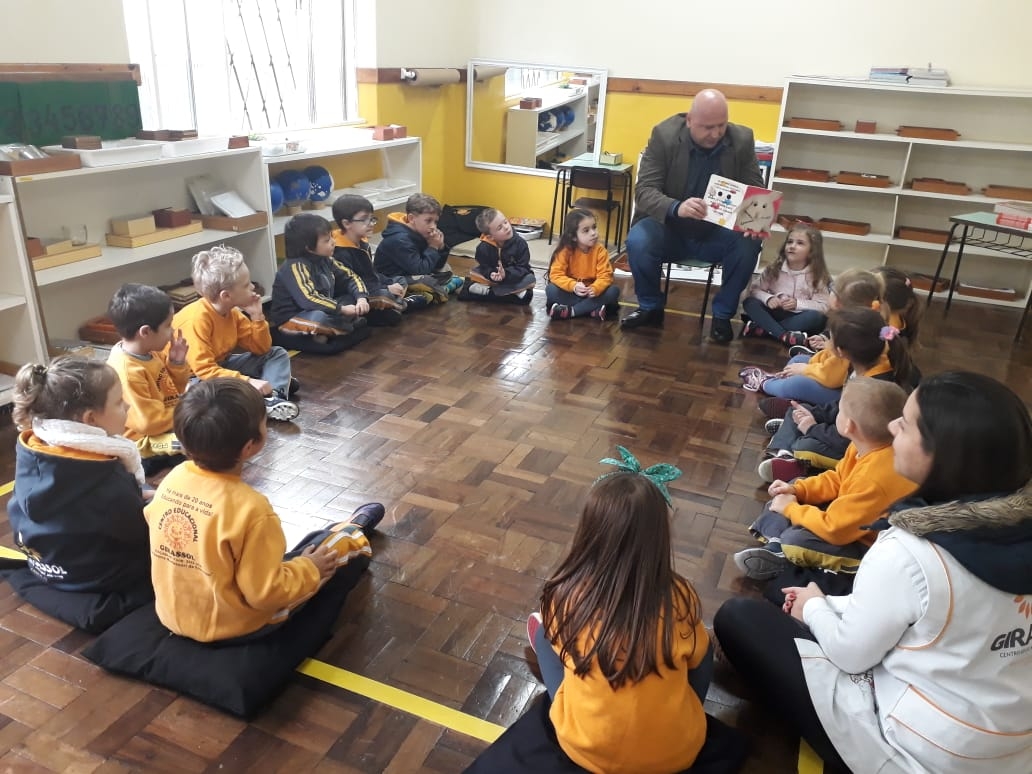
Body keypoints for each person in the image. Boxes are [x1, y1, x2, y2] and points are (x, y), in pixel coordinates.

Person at [714, 371, 1032, 774]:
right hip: (1014, 748)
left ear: (943, 456)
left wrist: (814, 608)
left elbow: (850, 656)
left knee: (739, 617)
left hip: (919, 753)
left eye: (907, 423)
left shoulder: (908, 551)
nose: (893, 426)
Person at [144, 377, 386, 643]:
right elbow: (264, 595)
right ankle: (353, 530)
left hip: (172, 614)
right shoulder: (253, 509)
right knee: (335, 546)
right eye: (264, 422)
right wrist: (311, 569)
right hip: (234, 625)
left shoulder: (172, 480)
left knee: (279, 555)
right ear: (250, 446)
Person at [528, 448, 713, 774]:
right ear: (660, 537)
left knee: (545, 635)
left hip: (584, 750)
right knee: (703, 647)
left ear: (588, 531)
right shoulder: (680, 597)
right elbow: (699, 660)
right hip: (677, 754)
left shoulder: (564, 596)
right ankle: (683, 711)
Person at [734, 378, 915, 582]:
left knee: (796, 540)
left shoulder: (875, 478)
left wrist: (791, 509)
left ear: (849, 426)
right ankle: (775, 544)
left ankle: (781, 554)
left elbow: (835, 529)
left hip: (869, 546)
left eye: (840, 410)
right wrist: (799, 491)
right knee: (791, 487)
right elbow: (837, 479)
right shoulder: (864, 446)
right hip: (848, 519)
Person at [621, 89, 764, 342]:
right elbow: (644, 191)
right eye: (708, 127)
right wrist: (677, 207)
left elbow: (756, 193)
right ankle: (650, 307)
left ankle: (722, 316)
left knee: (749, 243)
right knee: (638, 240)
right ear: (689, 120)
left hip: (716, 233)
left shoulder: (742, 139)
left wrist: (756, 221)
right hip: (669, 229)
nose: (716, 134)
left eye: (721, 125)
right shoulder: (664, 136)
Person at [6, 357, 152, 601]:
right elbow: (138, 533)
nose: (127, 406)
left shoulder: (33, 448)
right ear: (90, 419)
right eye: (119, 402)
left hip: (48, 566)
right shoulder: (106, 476)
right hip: (99, 578)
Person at [757, 306, 919, 481]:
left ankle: (790, 449)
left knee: (805, 446)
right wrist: (814, 414)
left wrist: (812, 428)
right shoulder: (865, 364)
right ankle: (781, 450)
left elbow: (848, 439)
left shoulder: (871, 392)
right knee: (799, 409)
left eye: (829, 338)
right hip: (846, 429)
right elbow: (841, 406)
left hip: (860, 447)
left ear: (840, 351)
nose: (827, 342)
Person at [174, 244, 300, 421]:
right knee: (207, 399)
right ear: (226, 296)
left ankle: (274, 397)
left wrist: (257, 317)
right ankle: (270, 386)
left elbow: (261, 349)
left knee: (276, 354)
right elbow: (204, 370)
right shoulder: (196, 320)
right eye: (246, 285)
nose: (253, 287)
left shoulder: (232, 312)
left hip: (220, 367)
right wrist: (248, 381)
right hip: (194, 379)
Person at [106, 283, 190, 474]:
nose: (172, 331)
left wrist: (176, 364)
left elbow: (173, 392)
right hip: (144, 445)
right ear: (145, 332)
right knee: (192, 443)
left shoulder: (150, 353)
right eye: (168, 326)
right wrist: (186, 410)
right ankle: (155, 477)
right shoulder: (128, 371)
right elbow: (148, 424)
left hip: (163, 427)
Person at [269, 212, 373, 351]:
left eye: (331, 237)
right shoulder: (295, 267)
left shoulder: (326, 259)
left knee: (350, 298)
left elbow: (350, 276)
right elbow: (309, 299)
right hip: (293, 317)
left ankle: (331, 330)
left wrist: (361, 298)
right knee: (319, 318)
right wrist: (341, 310)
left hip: (323, 309)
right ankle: (344, 327)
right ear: (308, 247)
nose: (333, 242)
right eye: (327, 240)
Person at [331, 194, 424, 323]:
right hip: (351, 295)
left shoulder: (362, 242)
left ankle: (387, 306)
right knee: (384, 295)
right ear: (346, 223)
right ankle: (402, 305)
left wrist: (387, 283)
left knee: (400, 280)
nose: (371, 224)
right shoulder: (339, 251)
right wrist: (386, 288)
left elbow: (371, 274)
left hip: (370, 288)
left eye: (372, 218)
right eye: (364, 219)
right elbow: (350, 284)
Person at [740, 224, 831, 346]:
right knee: (750, 302)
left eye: (800, 243)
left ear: (812, 251)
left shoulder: (817, 275)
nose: (792, 246)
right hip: (774, 313)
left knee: (817, 318)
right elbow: (755, 290)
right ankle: (784, 335)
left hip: (799, 317)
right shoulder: (773, 269)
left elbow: (824, 306)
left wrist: (797, 303)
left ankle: (765, 329)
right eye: (790, 242)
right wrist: (768, 299)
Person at [373, 193, 464, 303]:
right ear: (411, 218)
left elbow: (437, 265)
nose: (433, 226)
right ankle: (422, 296)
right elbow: (419, 270)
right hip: (393, 279)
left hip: (412, 272)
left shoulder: (421, 232)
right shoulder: (399, 239)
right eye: (428, 221)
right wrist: (433, 247)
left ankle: (435, 290)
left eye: (435, 222)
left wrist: (441, 247)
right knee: (426, 280)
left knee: (446, 268)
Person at [545, 208, 621, 320]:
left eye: (594, 227)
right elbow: (556, 275)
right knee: (551, 290)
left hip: (593, 294)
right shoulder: (565, 251)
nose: (593, 233)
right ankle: (591, 309)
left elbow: (606, 276)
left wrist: (595, 288)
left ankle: (572, 311)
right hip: (572, 292)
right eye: (586, 230)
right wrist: (573, 286)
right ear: (573, 237)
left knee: (613, 291)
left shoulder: (600, 251)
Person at [460, 207, 535, 304]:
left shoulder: (520, 244)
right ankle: (511, 293)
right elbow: (484, 267)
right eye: (499, 228)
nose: (506, 227)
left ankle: (488, 292)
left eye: (505, 222)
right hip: (493, 280)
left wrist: (506, 274)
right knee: (475, 272)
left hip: (512, 278)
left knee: (530, 278)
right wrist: (491, 274)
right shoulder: (483, 248)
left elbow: (522, 267)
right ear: (490, 236)